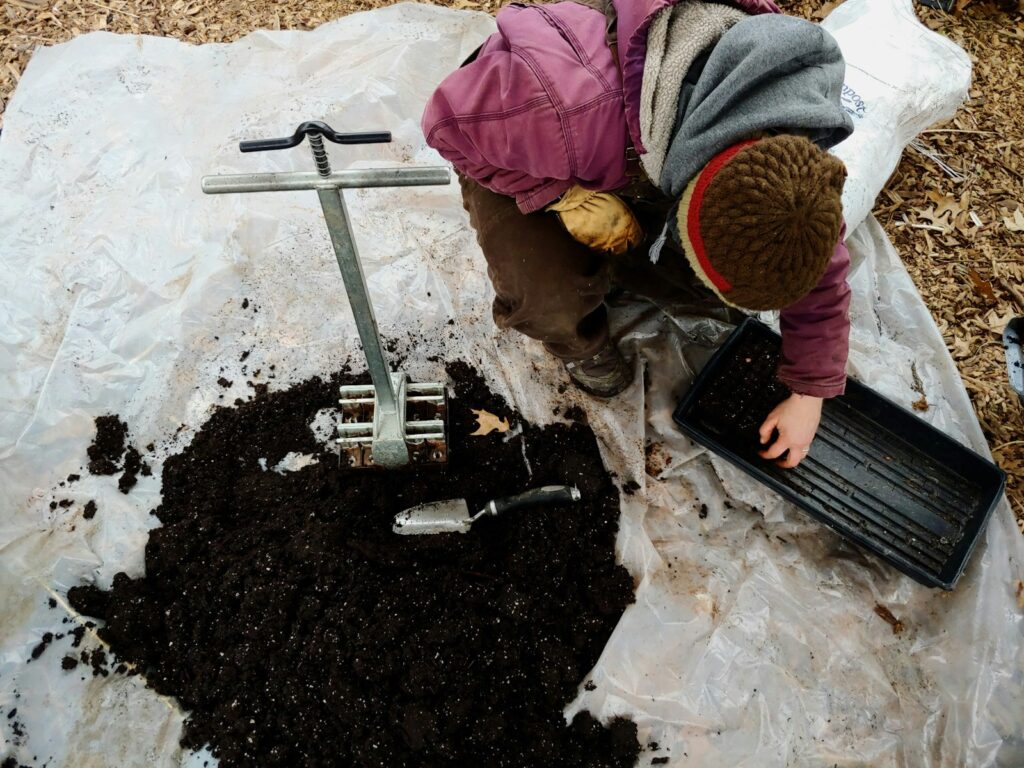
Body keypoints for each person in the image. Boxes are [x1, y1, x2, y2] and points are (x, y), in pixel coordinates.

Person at [422, 0, 854, 468]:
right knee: (544, 292)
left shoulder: (788, 161)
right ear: (687, 205)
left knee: (709, 286)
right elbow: (444, 127)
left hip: (637, 142)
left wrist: (809, 390)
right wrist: (559, 197)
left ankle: (635, 260)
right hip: (526, 150)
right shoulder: (560, 109)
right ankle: (579, 342)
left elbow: (817, 267)